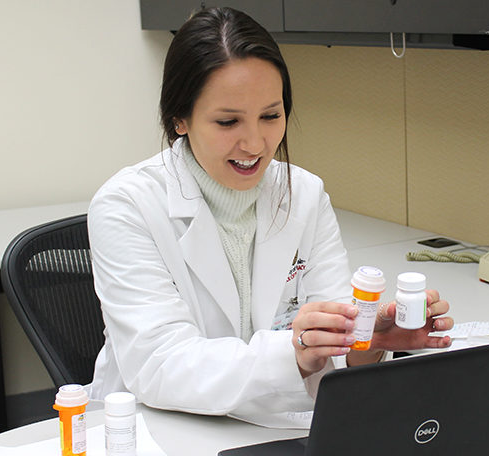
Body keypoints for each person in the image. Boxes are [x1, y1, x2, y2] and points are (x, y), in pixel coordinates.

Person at [86, 6, 454, 428]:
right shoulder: (127, 205)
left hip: (276, 427)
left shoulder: (305, 195)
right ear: (179, 119)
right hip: (162, 431)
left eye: (271, 115)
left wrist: (366, 342)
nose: (256, 143)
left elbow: (333, 343)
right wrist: (292, 352)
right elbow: (160, 366)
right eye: (228, 121)